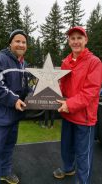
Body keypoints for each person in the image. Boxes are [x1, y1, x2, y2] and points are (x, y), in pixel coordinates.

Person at [53, 26, 102, 184]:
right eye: (72, 38)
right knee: (66, 147)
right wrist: (50, 96)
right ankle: (68, 168)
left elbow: (91, 92)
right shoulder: (66, 62)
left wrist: (69, 104)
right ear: (68, 41)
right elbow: (62, 87)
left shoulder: (94, 62)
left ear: (85, 40)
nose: (76, 41)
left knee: (83, 154)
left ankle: (82, 181)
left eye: (79, 38)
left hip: (84, 118)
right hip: (67, 115)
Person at [0, 29, 31, 184]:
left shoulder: (23, 64)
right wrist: (13, 100)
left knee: (8, 148)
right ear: (10, 43)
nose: (20, 44)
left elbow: (25, 88)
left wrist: (36, 95)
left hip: (14, 117)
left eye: (23, 42)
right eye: (17, 41)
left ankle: (5, 173)